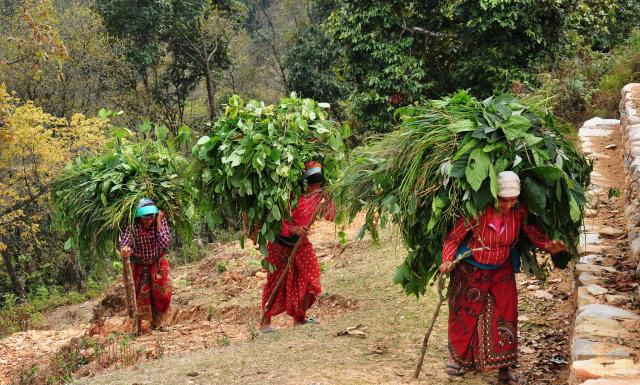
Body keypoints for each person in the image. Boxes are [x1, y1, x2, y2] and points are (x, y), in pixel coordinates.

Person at [439, 171, 566, 385]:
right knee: (465, 311)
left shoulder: (518, 212)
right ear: (493, 196)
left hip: (501, 268)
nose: (508, 205)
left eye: (512, 200)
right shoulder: (477, 212)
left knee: (506, 313)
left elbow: (531, 232)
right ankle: (457, 358)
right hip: (471, 268)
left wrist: (548, 245)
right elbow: (453, 238)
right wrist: (446, 260)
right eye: (503, 200)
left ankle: (504, 368)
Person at [260, 161, 336, 333]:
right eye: (312, 183)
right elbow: (273, 222)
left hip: (300, 244)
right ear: (304, 183)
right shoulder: (289, 197)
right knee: (274, 281)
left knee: (312, 278)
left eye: (318, 183)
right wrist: (293, 229)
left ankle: (300, 318)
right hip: (278, 243)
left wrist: (330, 199)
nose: (315, 186)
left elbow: (332, 217)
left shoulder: (317, 198)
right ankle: (265, 322)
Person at [119, 198, 172, 333]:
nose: (149, 221)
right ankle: (138, 327)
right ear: (138, 217)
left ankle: (159, 323)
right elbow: (125, 241)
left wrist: (159, 222)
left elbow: (165, 243)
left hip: (157, 262)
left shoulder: (159, 220)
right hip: (139, 264)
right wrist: (125, 249)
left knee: (163, 294)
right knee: (139, 297)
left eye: (151, 217)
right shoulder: (132, 225)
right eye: (145, 218)